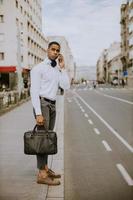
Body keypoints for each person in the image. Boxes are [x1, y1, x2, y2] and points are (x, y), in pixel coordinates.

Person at [30, 41, 70, 185]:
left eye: (57, 50)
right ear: (47, 50)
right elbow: (34, 92)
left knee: (47, 139)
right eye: (52, 49)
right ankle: (41, 174)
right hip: (42, 104)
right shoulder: (38, 69)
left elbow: (66, 86)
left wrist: (62, 67)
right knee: (42, 139)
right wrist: (38, 113)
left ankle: (46, 168)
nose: (55, 52)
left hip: (52, 105)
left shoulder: (56, 69)